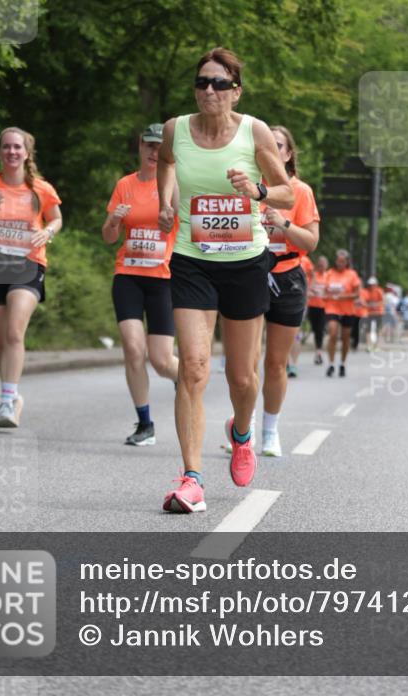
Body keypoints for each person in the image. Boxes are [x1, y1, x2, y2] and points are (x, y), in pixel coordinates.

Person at [157, 48, 293, 513]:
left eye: (218, 83)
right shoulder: (177, 129)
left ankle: (241, 431)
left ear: (236, 90)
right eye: (201, 83)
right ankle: (191, 478)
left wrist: (255, 190)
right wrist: (165, 201)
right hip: (192, 258)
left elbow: (287, 194)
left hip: (245, 261)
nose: (208, 91)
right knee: (193, 367)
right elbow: (166, 163)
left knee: (241, 375)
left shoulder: (253, 131)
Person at [0, 128, 62, 428]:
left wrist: (47, 231)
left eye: (17, 147)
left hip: (28, 264)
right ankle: (13, 392)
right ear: (0, 152)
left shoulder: (41, 189)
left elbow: (56, 218)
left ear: (26, 153)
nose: (11, 152)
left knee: (14, 332)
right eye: (6, 147)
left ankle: (7, 400)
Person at [102, 124, 179, 446]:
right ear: (140, 147)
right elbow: (108, 237)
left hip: (163, 280)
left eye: (160, 147)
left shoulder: (175, 184)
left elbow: (188, 226)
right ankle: (145, 424)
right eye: (149, 146)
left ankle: (188, 380)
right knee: (133, 348)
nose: (153, 152)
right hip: (128, 276)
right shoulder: (125, 185)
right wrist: (114, 221)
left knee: (161, 361)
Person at [259, 125, 319, 453]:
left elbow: (310, 241)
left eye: (278, 144)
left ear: (288, 153)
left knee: (275, 362)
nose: (272, 149)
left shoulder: (301, 192)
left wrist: (281, 222)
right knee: (244, 358)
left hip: (288, 277)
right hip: (250, 274)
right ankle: (240, 426)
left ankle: (270, 429)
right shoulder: (249, 186)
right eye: (265, 144)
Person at [324, 250, 361, 376]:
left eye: (343, 261)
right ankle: (331, 364)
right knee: (333, 333)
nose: (340, 263)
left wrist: (343, 296)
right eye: (338, 261)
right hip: (332, 308)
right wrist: (326, 294)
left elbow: (357, 294)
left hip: (347, 310)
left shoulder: (352, 274)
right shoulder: (329, 273)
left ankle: (342, 363)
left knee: (345, 338)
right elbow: (324, 290)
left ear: (347, 262)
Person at [306, 255, 329, 364]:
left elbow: (331, 291)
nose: (321, 266)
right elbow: (308, 289)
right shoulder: (313, 276)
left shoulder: (328, 276)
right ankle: (318, 350)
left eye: (323, 264)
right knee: (315, 329)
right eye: (320, 264)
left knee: (320, 329)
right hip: (313, 306)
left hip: (324, 307)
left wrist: (325, 293)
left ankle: (318, 352)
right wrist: (312, 291)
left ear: (326, 266)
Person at [363, 277, 384, 352]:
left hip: (378, 312)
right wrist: (368, 305)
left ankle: (377, 346)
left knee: (378, 329)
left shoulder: (379, 291)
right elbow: (364, 301)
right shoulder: (366, 291)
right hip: (369, 313)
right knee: (367, 329)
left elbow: (383, 301)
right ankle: (369, 345)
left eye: (373, 284)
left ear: (376, 284)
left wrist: (376, 305)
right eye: (370, 284)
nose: (371, 286)